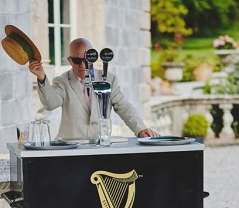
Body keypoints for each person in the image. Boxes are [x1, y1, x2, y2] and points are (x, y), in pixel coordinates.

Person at [28, 38, 159, 140]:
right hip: (69, 149)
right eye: (77, 60)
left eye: (87, 59)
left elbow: (124, 107)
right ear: (69, 60)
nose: (82, 65)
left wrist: (140, 129)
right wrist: (41, 77)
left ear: (93, 57)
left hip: (99, 147)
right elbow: (50, 104)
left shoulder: (109, 79)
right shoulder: (62, 81)